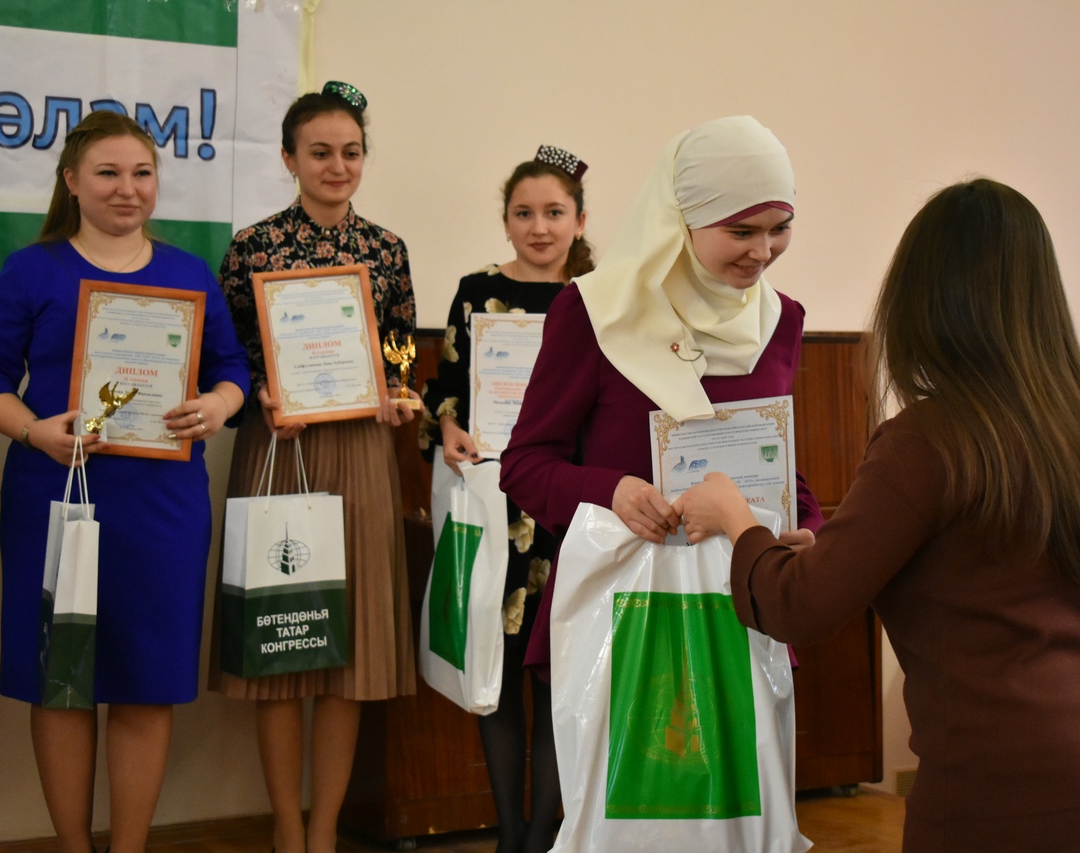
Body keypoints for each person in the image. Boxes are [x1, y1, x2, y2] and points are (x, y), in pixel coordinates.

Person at [675, 178, 1080, 852]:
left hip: (1000, 778)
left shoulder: (928, 441)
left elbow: (800, 608)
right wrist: (830, 554)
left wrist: (734, 517)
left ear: (925, 301)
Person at [0, 110, 249, 853]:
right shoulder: (31, 271)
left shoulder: (189, 273)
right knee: (62, 682)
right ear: (72, 181)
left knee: (146, 680)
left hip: (163, 509)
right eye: (108, 173)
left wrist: (216, 406)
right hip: (55, 498)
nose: (127, 188)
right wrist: (34, 430)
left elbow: (231, 369)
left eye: (142, 172)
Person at [499, 116, 824, 686]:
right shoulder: (597, 312)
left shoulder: (781, 319)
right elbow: (524, 464)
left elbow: (771, 455)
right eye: (741, 231)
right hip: (621, 610)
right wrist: (611, 492)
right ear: (682, 219)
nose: (763, 251)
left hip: (740, 608)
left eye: (780, 228)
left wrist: (807, 528)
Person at [210, 81, 418, 853]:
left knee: (346, 654)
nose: (338, 166)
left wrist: (399, 395)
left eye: (351, 152)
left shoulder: (387, 249)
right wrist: (259, 395)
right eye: (321, 152)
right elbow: (226, 360)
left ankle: (325, 829)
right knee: (281, 646)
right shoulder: (252, 247)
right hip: (279, 447)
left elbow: (400, 354)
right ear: (289, 158)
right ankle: (286, 828)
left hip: (362, 451)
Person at [419, 145, 593, 853]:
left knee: (554, 671)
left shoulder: (601, 298)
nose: (539, 227)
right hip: (496, 507)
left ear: (580, 221)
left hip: (568, 510)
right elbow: (446, 388)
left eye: (554, 212)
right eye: (524, 213)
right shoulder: (476, 290)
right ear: (506, 221)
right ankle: (509, 833)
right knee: (494, 667)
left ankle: (542, 837)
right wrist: (448, 426)